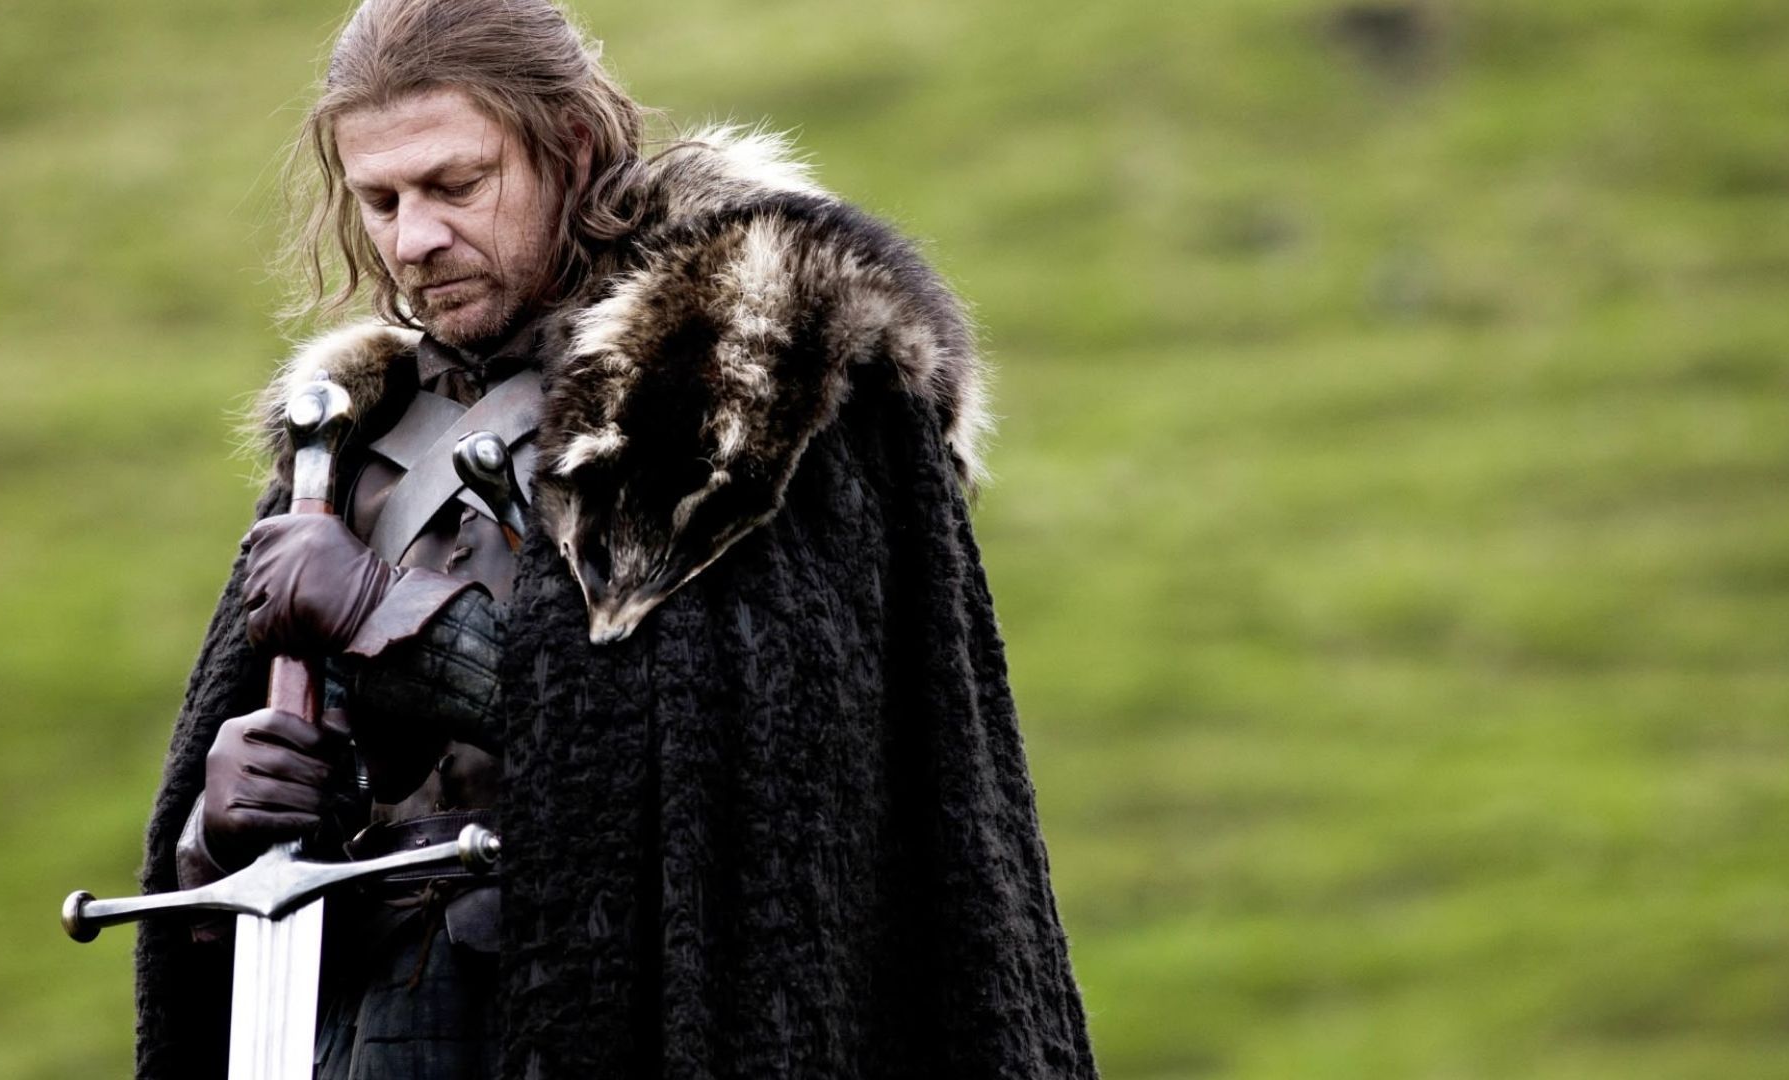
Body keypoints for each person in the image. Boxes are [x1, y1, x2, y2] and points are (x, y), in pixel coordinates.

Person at [132, 1, 1098, 1077]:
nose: (413, 240)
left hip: (647, 1020)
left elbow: (749, 763)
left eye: (457, 185)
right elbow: (278, 846)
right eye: (382, 200)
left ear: (572, 146)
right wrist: (222, 832)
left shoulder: (742, 377)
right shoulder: (353, 435)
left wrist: (381, 614)